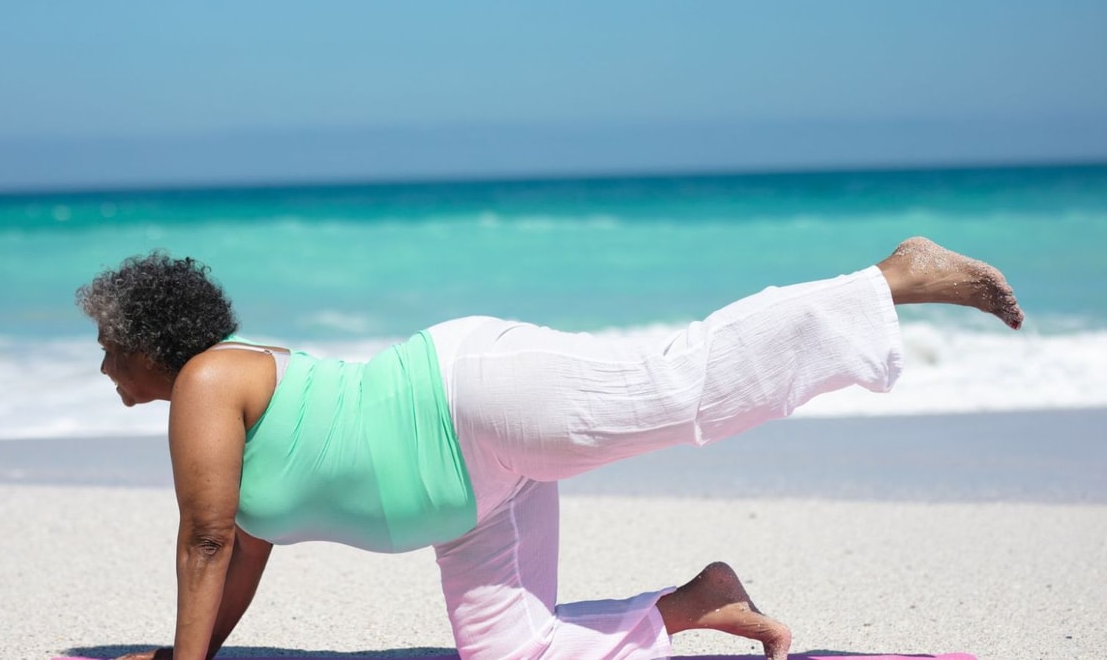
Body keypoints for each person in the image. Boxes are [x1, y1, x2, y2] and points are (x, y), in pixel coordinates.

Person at [80, 237, 1023, 660]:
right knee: (515, 654)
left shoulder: (205, 381)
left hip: (463, 402)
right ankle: (700, 603)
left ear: (147, 339)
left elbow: (204, 538)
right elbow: (240, 544)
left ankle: (890, 279)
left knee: (676, 387)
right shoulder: (224, 392)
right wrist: (187, 654)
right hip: (472, 499)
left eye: (107, 343)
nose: (103, 362)